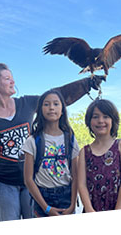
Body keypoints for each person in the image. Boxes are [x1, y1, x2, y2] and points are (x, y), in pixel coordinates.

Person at [0, 63, 97, 221]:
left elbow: (57, 97)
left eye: (12, 78)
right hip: (3, 181)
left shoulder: (26, 103)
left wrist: (86, 84)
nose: (13, 82)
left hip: (33, 180)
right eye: (7, 78)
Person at [22, 89, 79, 218]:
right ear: (40, 110)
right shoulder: (32, 141)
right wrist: (46, 208)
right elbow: (28, 179)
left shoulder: (70, 139)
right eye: (46, 104)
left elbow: (76, 176)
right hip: (42, 198)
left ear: (62, 109)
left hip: (66, 197)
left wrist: (72, 204)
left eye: (56, 104)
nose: (51, 108)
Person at [77, 99, 121, 212]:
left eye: (106, 116)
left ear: (113, 120)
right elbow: (81, 184)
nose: (100, 121)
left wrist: (118, 210)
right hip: (92, 209)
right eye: (95, 117)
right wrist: (88, 209)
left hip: (120, 207)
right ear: (89, 121)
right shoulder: (84, 152)